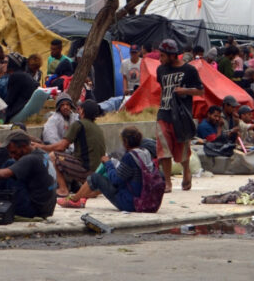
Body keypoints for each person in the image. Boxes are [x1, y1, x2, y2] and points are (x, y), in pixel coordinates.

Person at [58, 127, 155, 212]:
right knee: (106, 170)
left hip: (131, 203)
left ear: (125, 141)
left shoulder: (130, 156)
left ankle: (75, 199)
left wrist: (108, 163)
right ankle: (82, 197)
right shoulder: (145, 152)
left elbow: (116, 180)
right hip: (145, 199)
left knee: (95, 177)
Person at [155, 39, 203, 193]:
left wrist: (185, 91)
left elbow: (200, 91)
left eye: (162, 55)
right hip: (163, 113)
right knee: (164, 149)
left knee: (182, 148)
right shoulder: (160, 70)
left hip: (181, 116)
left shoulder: (189, 70)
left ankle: (186, 171)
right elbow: (163, 90)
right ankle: (167, 182)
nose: (160, 59)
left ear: (172, 55)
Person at [0, 131, 57, 219]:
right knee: (10, 163)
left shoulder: (30, 159)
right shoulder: (41, 153)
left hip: (34, 210)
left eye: (14, 152)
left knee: (11, 175)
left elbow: (4, 174)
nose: (11, 155)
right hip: (47, 207)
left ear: (24, 147)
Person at [35, 99, 106, 197]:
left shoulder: (79, 124)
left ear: (82, 111)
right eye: (63, 105)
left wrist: (40, 146)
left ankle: (63, 189)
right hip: (97, 173)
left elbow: (61, 147)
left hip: (86, 171)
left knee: (53, 156)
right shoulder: (97, 128)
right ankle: (85, 188)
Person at [4, 53, 39, 123]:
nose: (4, 64)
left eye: (6, 62)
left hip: (17, 111)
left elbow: (10, 99)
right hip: (25, 109)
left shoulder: (15, 76)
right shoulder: (25, 75)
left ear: (12, 63)